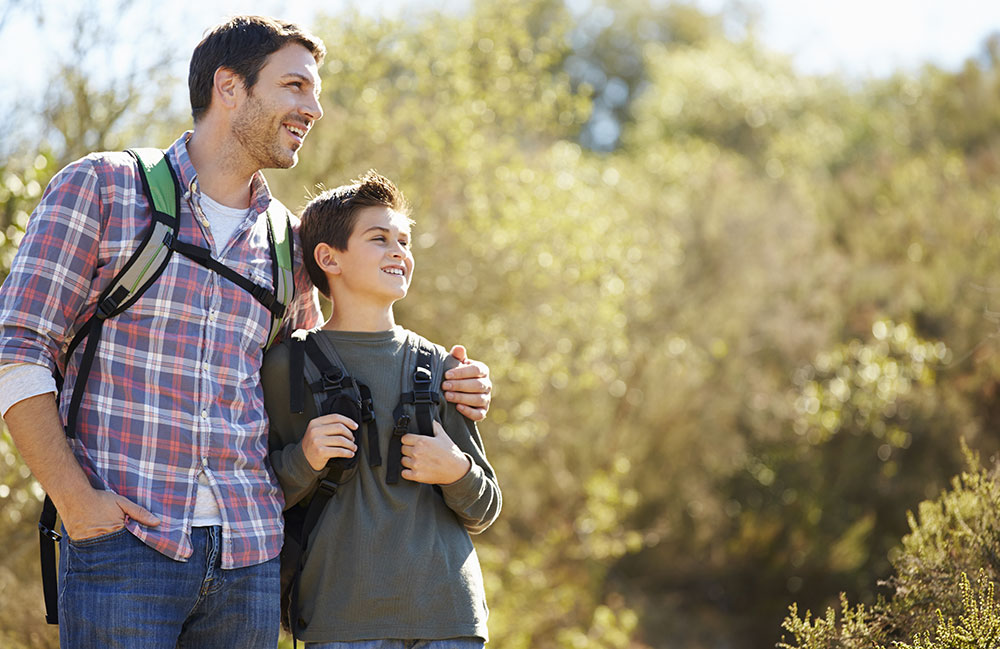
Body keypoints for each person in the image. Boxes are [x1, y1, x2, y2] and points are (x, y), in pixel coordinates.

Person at [0, 15, 491, 649]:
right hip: (123, 542)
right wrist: (76, 502)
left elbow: (318, 381)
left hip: (251, 556)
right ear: (229, 87)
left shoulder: (289, 243)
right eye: (295, 86)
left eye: (314, 92)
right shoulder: (102, 187)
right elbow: (17, 350)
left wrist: (456, 382)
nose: (313, 108)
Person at [263, 170, 501, 648]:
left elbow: (485, 508)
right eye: (379, 239)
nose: (400, 252)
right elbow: (257, 496)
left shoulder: (441, 367)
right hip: (342, 620)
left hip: (451, 618)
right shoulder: (287, 364)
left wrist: (455, 470)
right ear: (329, 258)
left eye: (404, 241)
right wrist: (303, 460)